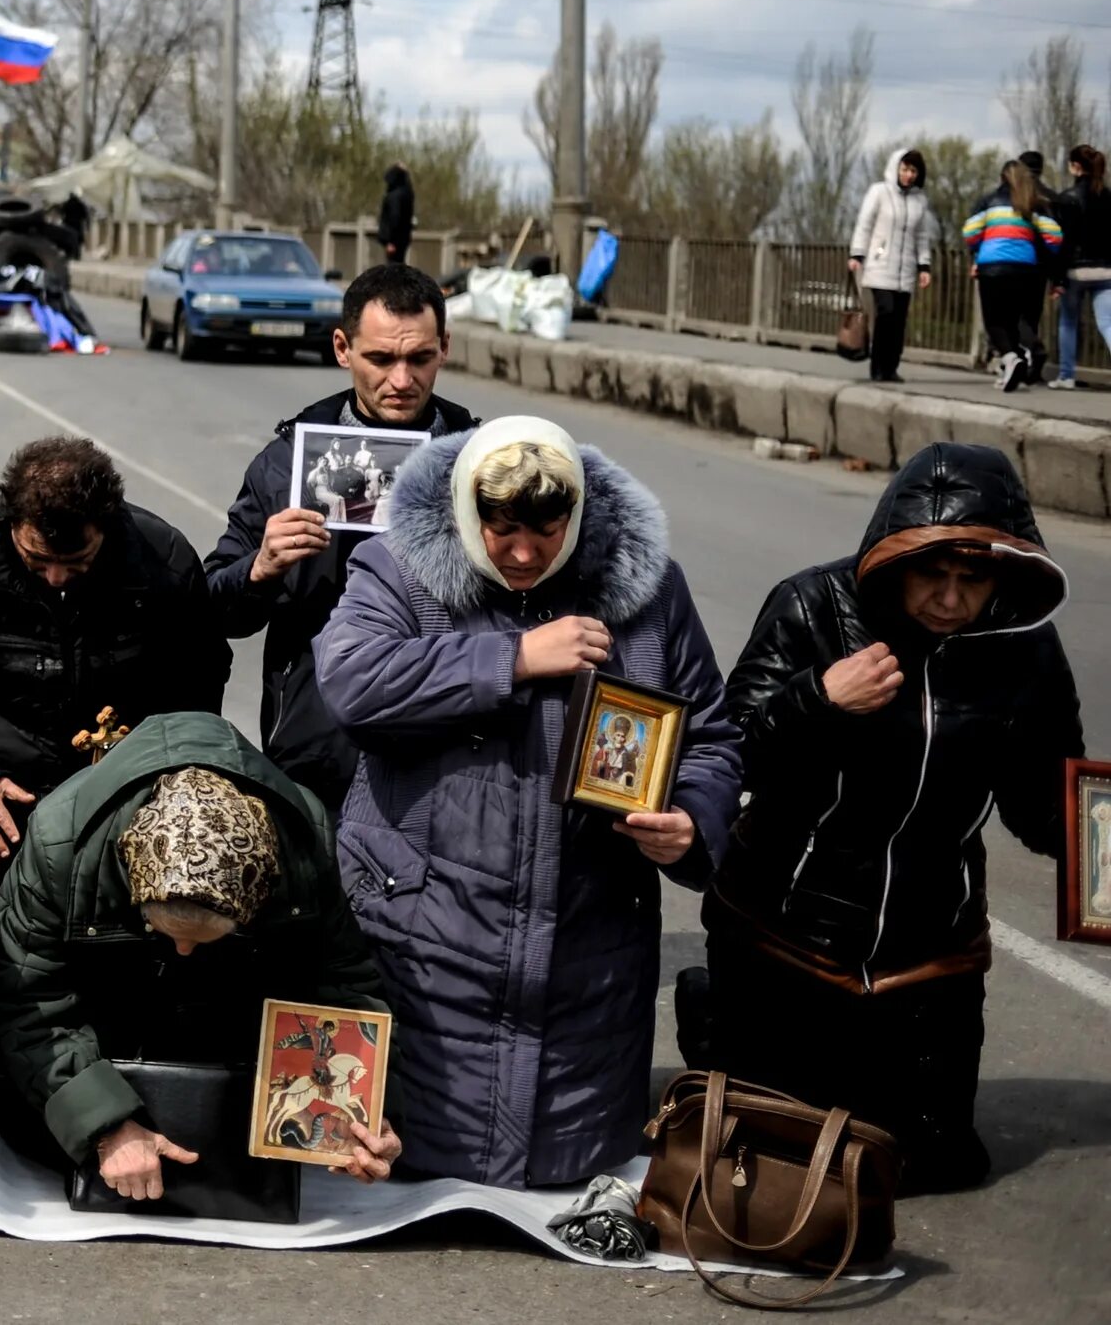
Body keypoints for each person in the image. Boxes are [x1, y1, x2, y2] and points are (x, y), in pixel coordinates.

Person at [313, 415, 741, 1188]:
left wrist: (692, 822)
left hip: (588, 943)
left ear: (576, 518)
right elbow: (351, 683)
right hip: (428, 927)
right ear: (467, 514)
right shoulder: (399, 567)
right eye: (502, 529)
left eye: (546, 531)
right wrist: (509, 658)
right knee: (413, 1171)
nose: (520, 552)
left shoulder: (648, 591)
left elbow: (710, 736)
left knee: (567, 1185)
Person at [701, 443, 1085, 1193]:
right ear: (892, 557)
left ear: (1002, 577)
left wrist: (1094, 845)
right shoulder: (812, 607)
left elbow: (1045, 810)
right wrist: (818, 699)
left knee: (932, 1165)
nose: (948, 598)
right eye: (930, 574)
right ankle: (717, 1021)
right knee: (781, 1166)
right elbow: (725, 759)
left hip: (930, 950)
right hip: (786, 935)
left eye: (970, 580)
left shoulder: (1026, 651)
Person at [0, 711, 399, 1204]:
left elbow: (342, 984)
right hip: (98, 1047)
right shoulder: (60, 842)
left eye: (209, 937)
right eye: (165, 929)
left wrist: (364, 1110)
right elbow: (28, 998)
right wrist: (104, 1123)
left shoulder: (301, 842)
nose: (183, 951)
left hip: (230, 1068)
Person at [0, 435, 231, 885]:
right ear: (11, 520)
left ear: (106, 526)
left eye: (77, 561)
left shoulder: (163, 565)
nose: (57, 578)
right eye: (37, 560)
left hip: (124, 805)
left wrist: (154, 783)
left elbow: (194, 692)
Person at [205, 262, 474, 809]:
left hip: (448, 753)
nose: (402, 380)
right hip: (317, 758)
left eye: (420, 358)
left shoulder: (483, 463)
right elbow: (214, 609)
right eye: (381, 359)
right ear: (342, 348)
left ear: (444, 347)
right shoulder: (286, 466)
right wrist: (259, 569)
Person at [964, 158, 1063, 393]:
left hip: (993, 268)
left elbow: (969, 231)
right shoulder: (1033, 204)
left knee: (995, 321)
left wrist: (981, 246)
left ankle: (1010, 358)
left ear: (1002, 178)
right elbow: (1055, 236)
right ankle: (1021, 359)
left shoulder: (988, 202)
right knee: (1015, 320)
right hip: (1025, 269)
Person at [847, 147, 939, 385]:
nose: (909, 175)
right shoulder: (879, 192)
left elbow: (921, 236)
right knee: (885, 314)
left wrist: (924, 266)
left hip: (905, 271)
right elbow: (864, 224)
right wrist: (857, 254)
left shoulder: (920, 200)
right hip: (879, 266)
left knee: (899, 321)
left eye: (913, 170)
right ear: (896, 168)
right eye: (905, 169)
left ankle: (891, 368)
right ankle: (878, 367)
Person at [1049, 145, 1110, 389]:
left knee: (1068, 321)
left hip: (1075, 271)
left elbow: (1063, 243)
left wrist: (1057, 279)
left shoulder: (1067, 198)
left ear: (1075, 167)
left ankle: (1066, 376)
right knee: (1107, 322)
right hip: (1107, 270)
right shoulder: (1108, 196)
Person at [375, 164, 414, 265]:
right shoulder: (407, 193)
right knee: (399, 266)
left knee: (393, 267)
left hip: (394, 241)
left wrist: (391, 241)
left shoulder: (394, 196)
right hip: (403, 239)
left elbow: (394, 218)